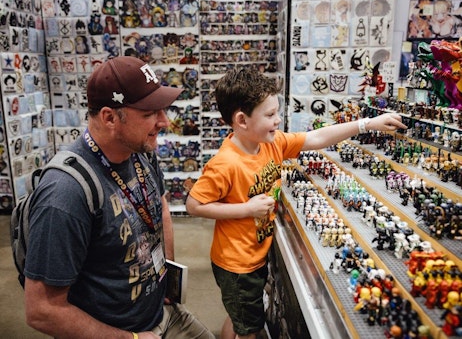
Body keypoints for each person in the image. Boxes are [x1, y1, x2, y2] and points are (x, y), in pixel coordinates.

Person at [185, 67, 407, 339]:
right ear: (242, 120)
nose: (278, 120)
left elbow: (315, 138)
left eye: (277, 112)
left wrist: (365, 124)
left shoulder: (271, 143)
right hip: (236, 266)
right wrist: (247, 209)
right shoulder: (224, 164)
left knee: (242, 318)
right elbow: (194, 205)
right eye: (270, 115)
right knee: (249, 328)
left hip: (254, 255)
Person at [24, 56, 214, 339]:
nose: (164, 121)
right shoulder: (65, 193)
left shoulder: (141, 151)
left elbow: (160, 207)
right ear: (109, 117)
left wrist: (166, 282)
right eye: (149, 113)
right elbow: (42, 310)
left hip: (164, 314)